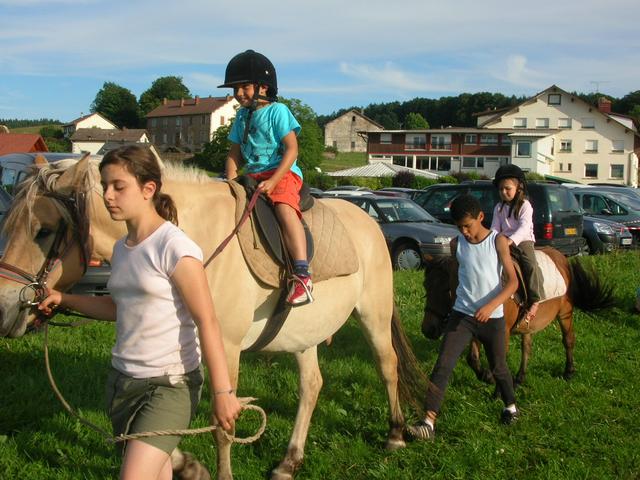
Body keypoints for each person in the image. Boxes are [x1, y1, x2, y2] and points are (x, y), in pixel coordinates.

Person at [38, 145, 242, 480]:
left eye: (119, 186)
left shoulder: (175, 247)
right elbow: (121, 308)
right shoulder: (122, 248)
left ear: (149, 189)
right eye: (105, 186)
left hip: (168, 386)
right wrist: (64, 298)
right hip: (122, 384)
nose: (108, 195)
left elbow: (207, 320)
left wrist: (223, 393)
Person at [408, 194, 519, 441]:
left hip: (493, 318)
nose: (465, 232)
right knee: (443, 365)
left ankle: (510, 407)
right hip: (463, 316)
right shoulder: (457, 244)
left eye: (468, 225)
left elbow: (512, 283)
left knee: (498, 368)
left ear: (481, 217)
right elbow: (457, 279)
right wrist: (453, 306)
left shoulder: (498, 242)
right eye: (460, 227)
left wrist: (490, 306)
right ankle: (428, 422)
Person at [219, 49, 313, 306]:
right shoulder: (241, 116)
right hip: (252, 175)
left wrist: (273, 182)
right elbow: (234, 154)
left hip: (281, 173)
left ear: (263, 86)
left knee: (284, 209)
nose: (238, 94)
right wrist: (229, 180)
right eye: (235, 89)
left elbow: (292, 149)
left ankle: (303, 274)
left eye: (244, 87)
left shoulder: (278, 112)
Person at [491, 164, 544, 321]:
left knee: (531, 265)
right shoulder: (498, 208)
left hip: (522, 241)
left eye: (507, 188)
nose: (504, 192)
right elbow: (494, 227)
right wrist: (493, 240)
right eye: (501, 189)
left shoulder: (525, 205)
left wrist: (510, 241)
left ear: (519, 188)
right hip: (503, 241)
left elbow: (524, 227)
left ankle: (535, 299)